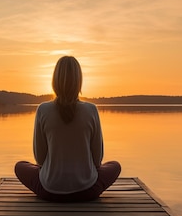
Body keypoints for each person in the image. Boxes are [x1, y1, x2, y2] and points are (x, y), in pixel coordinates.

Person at [14, 56, 121, 202]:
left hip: (50, 191)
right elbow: (97, 161)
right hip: (88, 191)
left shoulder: (43, 110)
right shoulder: (91, 110)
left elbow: (39, 159)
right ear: (79, 81)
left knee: (20, 166)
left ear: (54, 81)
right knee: (114, 166)